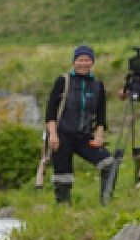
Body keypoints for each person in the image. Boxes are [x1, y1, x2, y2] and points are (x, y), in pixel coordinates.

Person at [43, 44, 119, 205]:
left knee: (109, 164)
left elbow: (101, 117)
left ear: (92, 62)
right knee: (63, 177)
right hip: (62, 136)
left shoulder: (97, 85)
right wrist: (53, 135)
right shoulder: (63, 81)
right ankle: (64, 210)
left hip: (84, 136)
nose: (83, 63)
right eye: (80, 60)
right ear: (74, 62)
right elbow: (50, 112)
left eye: (87, 60)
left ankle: (106, 203)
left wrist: (99, 136)